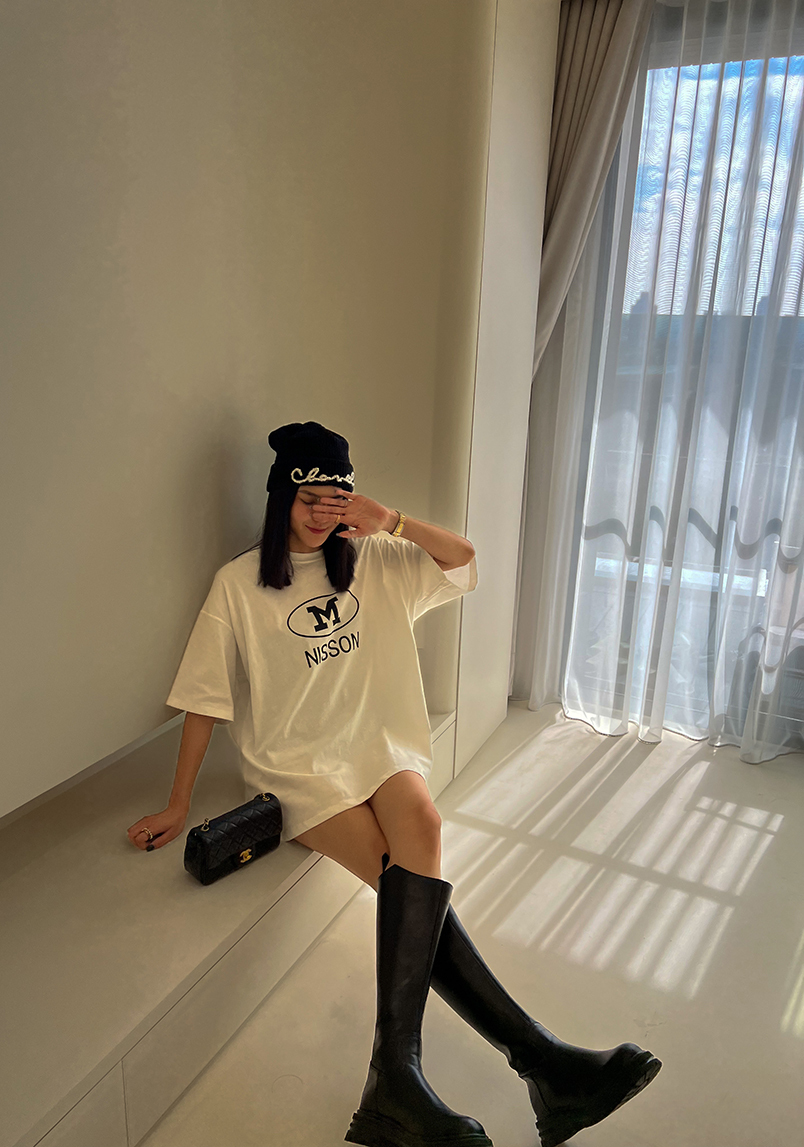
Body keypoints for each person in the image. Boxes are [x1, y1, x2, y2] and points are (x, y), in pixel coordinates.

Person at [126, 421, 661, 1147]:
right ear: (282, 498)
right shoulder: (238, 584)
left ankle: (409, 1081)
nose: (323, 513)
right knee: (399, 875)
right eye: (309, 497)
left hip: (380, 744)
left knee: (425, 833)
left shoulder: (376, 558)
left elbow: (464, 558)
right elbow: (204, 699)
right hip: (299, 763)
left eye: (336, 498)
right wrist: (178, 801)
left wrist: (394, 521)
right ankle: (531, 1063)